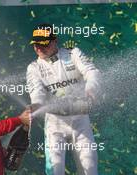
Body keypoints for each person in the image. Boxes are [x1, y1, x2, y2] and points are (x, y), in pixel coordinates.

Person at [26, 24, 101, 175]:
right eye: (35, 44)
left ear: (54, 41)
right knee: (55, 171)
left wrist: (91, 88)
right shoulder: (33, 67)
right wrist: (36, 105)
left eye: (43, 44)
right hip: (55, 124)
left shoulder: (73, 54)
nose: (38, 48)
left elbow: (92, 71)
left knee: (90, 171)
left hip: (81, 122)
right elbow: (37, 92)